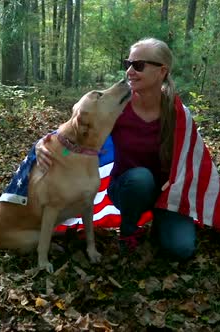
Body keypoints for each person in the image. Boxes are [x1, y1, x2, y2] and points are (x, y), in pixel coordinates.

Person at [36, 38, 196, 260]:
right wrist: (44, 146)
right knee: (141, 178)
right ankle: (129, 231)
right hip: (128, 188)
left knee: (181, 249)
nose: (129, 71)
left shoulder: (178, 113)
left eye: (138, 65)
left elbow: (194, 161)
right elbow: (73, 142)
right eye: (128, 63)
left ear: (162, 72)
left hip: (170, 195)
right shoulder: (117, 109)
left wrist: (174, 189)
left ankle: (161, 221)